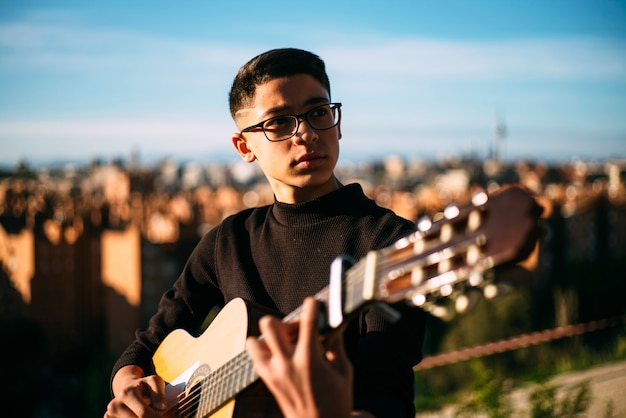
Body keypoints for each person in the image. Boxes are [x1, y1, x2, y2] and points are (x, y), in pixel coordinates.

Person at [104, 47, 425, 418]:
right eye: (279, 122)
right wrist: (130, 390)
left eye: (318, 113)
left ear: (337, 123)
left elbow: (389, 393)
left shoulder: (390, 243)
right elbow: (144, 348)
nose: (305, 133)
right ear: (244, 146)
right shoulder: (228, 243)